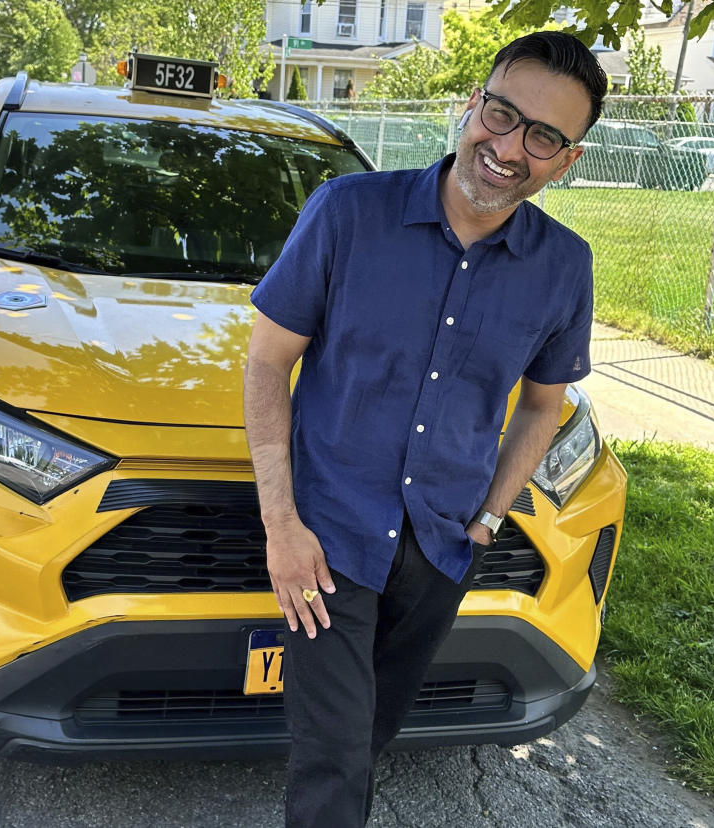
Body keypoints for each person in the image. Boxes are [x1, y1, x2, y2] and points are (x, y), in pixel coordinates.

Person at [242, 31, 607, 828]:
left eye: (543, 137)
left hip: (442, 548)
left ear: (567, 161)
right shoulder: (348, 214)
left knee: (370, 734)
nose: (510, 149)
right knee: (333, 759)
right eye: (503, 114)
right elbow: (267, 363)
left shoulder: (563, 267)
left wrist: (488, 518)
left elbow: (544, 405)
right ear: (471, 105)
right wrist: (281, 525)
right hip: (328, 540)